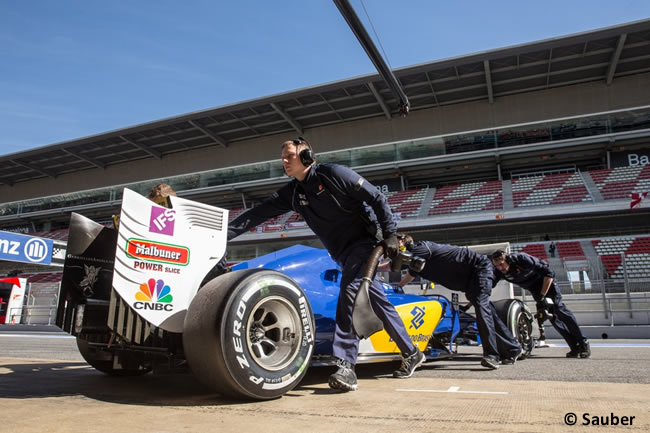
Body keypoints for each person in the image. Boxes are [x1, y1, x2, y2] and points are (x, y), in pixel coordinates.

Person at [227, 137, 424, 392]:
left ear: (307, 155)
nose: (284, 161)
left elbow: (377, 198)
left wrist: (390, 234)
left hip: (363, 245)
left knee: (350, 293)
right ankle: (412, 352)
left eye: (290, 156)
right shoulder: (293, 192)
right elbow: (256, 215)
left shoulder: (336, 174)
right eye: (283, 157)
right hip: (340, 253)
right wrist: (221, 236)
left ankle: (345, 365)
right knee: (377, 301)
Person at [387, 233, 522, 369]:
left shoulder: (421, 248)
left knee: (482, 307)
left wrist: (378, 263)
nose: (391, 245)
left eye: (395, 242)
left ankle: (492, 355)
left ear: (403, 241)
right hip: (468, 281)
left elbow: (395, 263)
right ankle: (513, 348)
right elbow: (401, 270)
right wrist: (397, 286)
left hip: (479, 269)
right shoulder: (415, 262)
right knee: (488, 311)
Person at [490, 250, 590, 358]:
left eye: (501, 264)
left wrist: (543, 295)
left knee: (559, 310)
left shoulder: (522, 259)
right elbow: (489, 285)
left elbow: (549, 273)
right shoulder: (499, 272)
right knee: (552, 318)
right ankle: (574, 347)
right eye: (497, 266)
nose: (501, 268)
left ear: (508, 260)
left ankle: (583, 343)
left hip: (546, 283)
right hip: (534, 289)